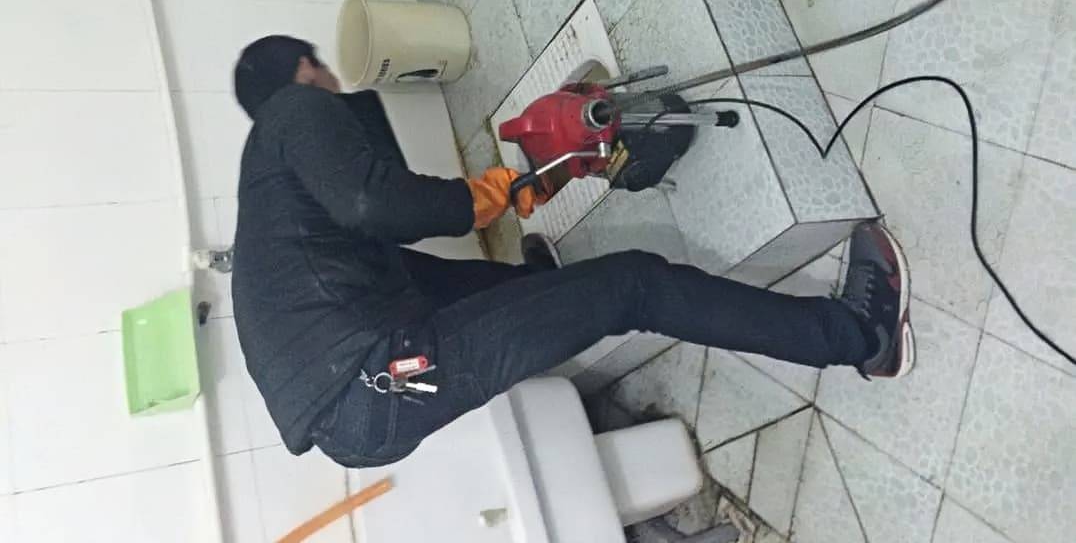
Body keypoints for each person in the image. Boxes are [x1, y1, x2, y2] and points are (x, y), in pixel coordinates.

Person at [231, 35, 915, 469]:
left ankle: (538, 286)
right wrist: (486, 196)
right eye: (321, 68)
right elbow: (374, 205)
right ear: (305, 68)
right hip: (375, 378)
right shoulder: (294, 110)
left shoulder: (277, 206)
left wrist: (518, 257)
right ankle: (861, 336)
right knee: (635, 286)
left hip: (357, 414)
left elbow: (393, 252)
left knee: (415, 276)